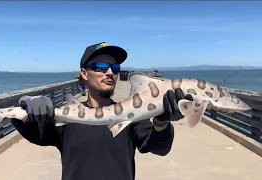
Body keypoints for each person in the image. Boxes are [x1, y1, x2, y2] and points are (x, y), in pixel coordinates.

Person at [10, 42, 193, 180]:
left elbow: (158, 147)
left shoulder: (131, 114)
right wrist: (27, 101)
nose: (109, 73)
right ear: (84, 73)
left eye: (114, 68)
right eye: (100, 67)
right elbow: (26, 126)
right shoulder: (67, 118)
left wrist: (162, 121)